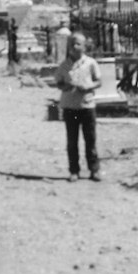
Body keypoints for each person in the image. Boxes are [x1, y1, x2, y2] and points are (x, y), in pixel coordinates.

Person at [55, 32, 102, 181]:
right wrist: (66, 86)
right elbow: (59, 83)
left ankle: (94, 170)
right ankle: (74, 171)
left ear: (84, 47)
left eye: (78, 44)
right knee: (72, 141)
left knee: (90, 140)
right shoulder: (64, 66)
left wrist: (87, 86)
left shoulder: (91, 63)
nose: (75, 47)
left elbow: (99, 82)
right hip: (70, 107)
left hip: (87, 106)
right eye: (72, 44)